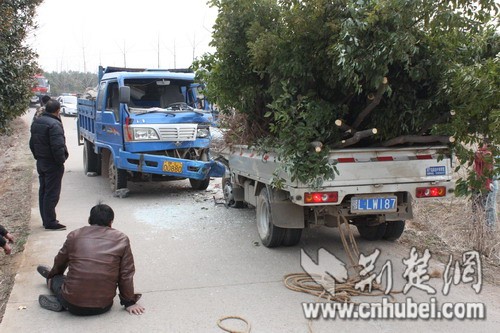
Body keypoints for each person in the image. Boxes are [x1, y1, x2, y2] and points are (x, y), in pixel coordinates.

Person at [36, 204, 145, 316]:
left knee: (57, 279)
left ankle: (56, 293)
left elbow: (60, 261)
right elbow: (126, 274)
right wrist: (129, 302)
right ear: (111, 222)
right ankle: (61, 299)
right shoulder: (122, 239)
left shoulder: (74, 236)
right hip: (103, 305)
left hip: (73, 304)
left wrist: (54, 276)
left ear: (89, 219)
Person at [29, 99, 68, 230]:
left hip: (41, 161)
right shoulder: (54, 125)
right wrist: (60, 161)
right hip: (52, 164)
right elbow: (58, 146)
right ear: (58, 111)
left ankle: (46, 219)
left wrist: (38, 156)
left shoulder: (37, 122)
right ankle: (50, 222)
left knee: (44, 191)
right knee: (52, 193)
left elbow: (32, 143)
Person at [473, 144, 498, 229]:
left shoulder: (486, 153)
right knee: (485, 207)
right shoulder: (486, 153)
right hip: (483, 182)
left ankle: (486, 229)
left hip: (486, 181)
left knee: (486, 207)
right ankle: (483, 229)